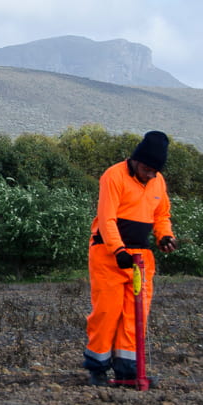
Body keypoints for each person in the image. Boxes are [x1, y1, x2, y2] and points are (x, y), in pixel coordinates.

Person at [83, 130, 178, 386]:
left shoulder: (158, 181)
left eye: (154, 171)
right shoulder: (113, 176)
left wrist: (164, 237)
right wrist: (118, 250)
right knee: (106, 313)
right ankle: (97, 370)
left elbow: (162, 215)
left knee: (135, 316)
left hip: (142, 258)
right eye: (147, 169)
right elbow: (106, 218)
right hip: (108, 255)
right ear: (136, 161)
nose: (150, 175)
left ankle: (128, 370)